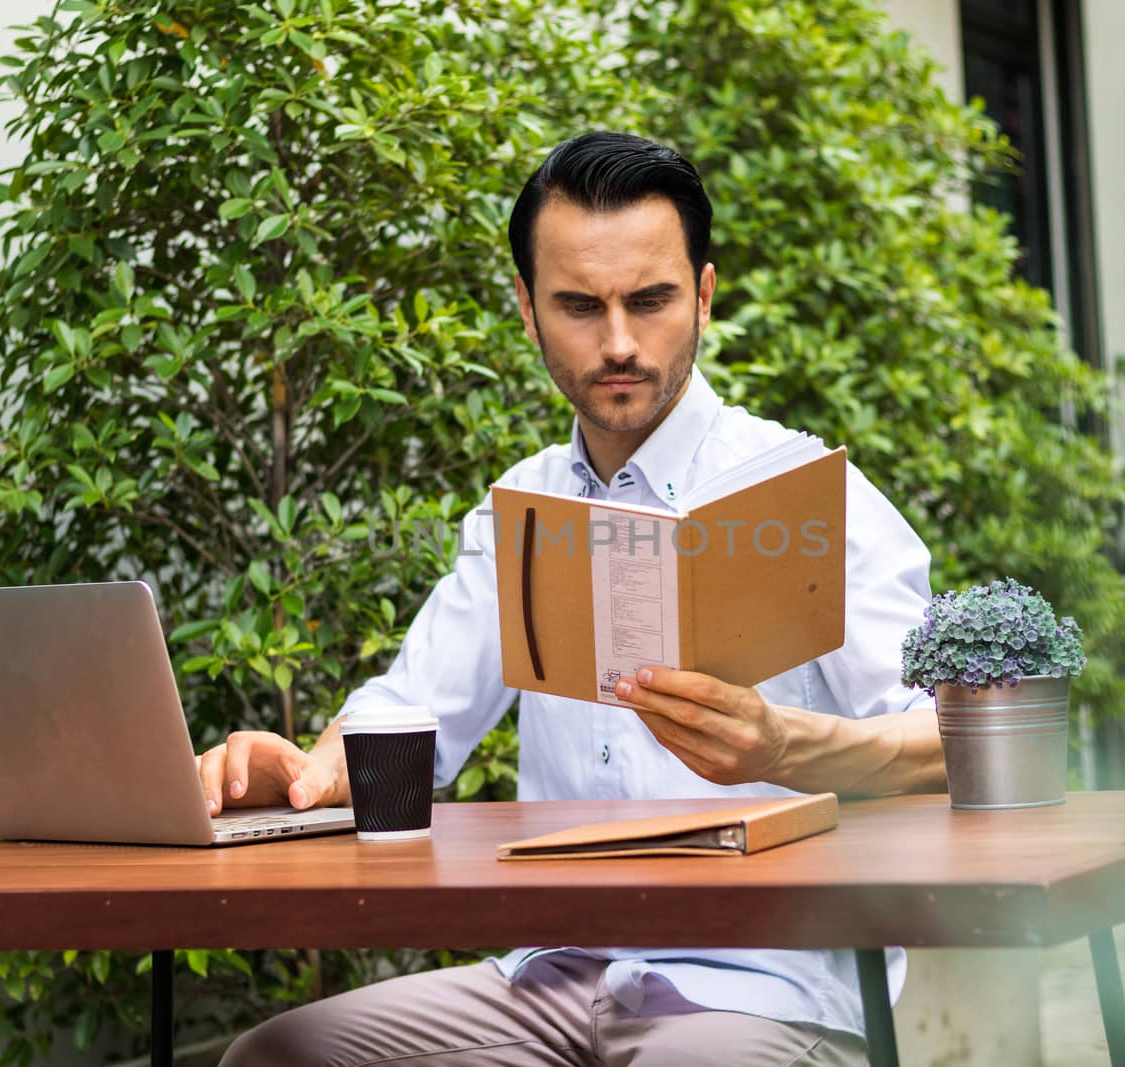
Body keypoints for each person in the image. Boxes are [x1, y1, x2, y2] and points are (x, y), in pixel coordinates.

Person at [210, 131, 945, 1066]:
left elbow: (955, 738)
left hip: (765, 989)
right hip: (551, 975)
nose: (620, 343)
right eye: (577, 306)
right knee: (278, 1056)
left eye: (651, 300)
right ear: (526, 309)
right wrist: (302, 777)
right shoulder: (522, 508)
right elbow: (408, 720)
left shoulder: (806, 492)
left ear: (706, 296)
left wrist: (784, 745)